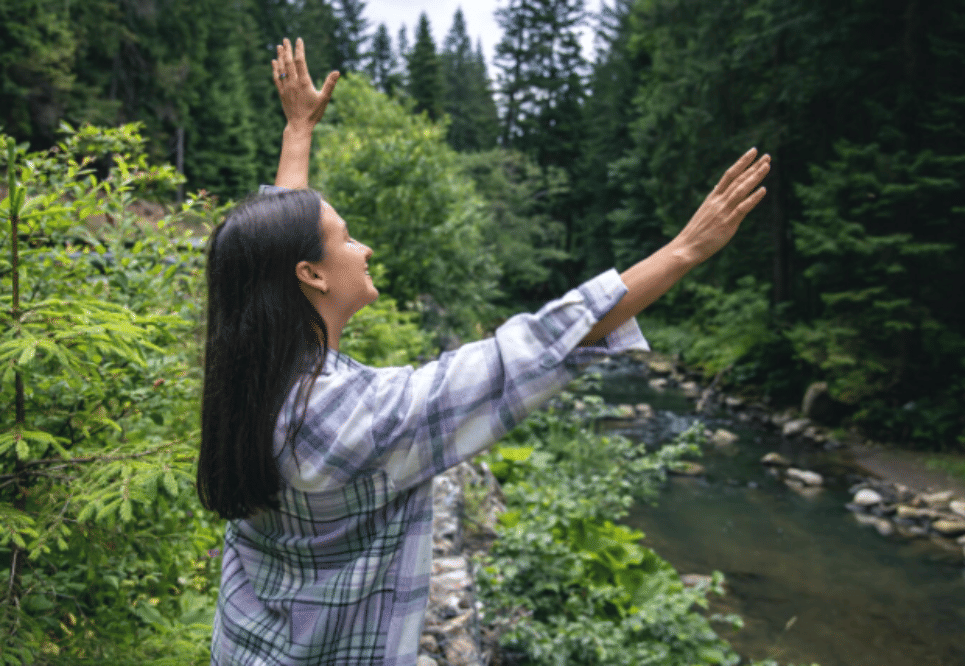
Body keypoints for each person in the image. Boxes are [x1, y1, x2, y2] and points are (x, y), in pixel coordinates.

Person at [197, 37, 770, 666]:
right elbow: (527, 352)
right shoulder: (351, 419)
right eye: (346, 237)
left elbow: (270, 259)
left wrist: (298, 131)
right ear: (311, 275)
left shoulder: (254, 373)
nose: (363, 248)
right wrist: (685, 250)